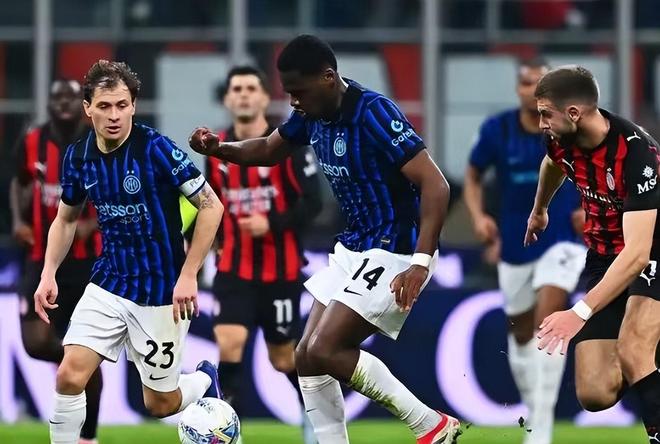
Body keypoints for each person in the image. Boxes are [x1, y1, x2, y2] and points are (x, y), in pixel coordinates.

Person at [190, 34, 460, 444]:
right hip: (355, 246)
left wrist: (420, 263)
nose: (293, 101)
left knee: (325, 349)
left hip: (396, 247)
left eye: (298, 91)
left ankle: (430, 425)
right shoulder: (311, 113)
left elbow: (436, 184)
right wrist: (219, 149)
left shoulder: (373, 112)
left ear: (328, 77)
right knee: (305, 356)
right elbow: (267, 149)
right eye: (289, 92)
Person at [33, 60, 223, 444]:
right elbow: (66, 219)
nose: (114, 115)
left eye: (122, 105)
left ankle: (204, 379)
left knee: (160, 403)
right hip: (109, 282)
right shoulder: (79, 157)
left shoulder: (156, 149)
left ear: (134, 105)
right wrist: (48, 272)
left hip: (160, 290)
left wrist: (189, 275)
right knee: (69, 375)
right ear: (88, 107)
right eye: (104, 106)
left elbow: (211, 205)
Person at [526, 66, 660, 444]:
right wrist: (540, 209)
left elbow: (637, 254)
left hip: (650, 251)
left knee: (634, 349)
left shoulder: (637, 154)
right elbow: (553, 164)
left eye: (545, 114)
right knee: (595, 392)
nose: (541, 123)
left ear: (574, 113)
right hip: (604, 256)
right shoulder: (560, 140)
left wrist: (579, 312)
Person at [463, 58, 586, 444]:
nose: (532, 90)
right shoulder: (497, 130)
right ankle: (536, 408)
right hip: (516, 241)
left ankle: (541, 427)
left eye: (540, 83)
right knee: (520, 335)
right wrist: (478, 216)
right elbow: (472, 175)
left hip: (563, 238)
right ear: (519, 89)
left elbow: (596, 169)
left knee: (548, 322)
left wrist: (590, 206)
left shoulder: (572, 128)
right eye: (526, 83)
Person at [208, 66, 322, 443]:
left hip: (281, 271)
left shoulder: (288, 145)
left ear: (262, 97)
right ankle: (229, 434)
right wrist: (206, 240)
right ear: (227, 99)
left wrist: (270, 222)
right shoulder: (215, 150)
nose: (243, 94)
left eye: (250, 88)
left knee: (283, 358)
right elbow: (206, 204)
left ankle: (315, 417)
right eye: (236, 88)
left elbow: (313, 203)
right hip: (233, 268)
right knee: (230, 345)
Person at [10, 79, 103, 444]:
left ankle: (87, 436)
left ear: (83, 105)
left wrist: (94, 224)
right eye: (57, 97)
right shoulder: (32, 141)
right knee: (35, 343)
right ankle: (79, 360)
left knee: (83, 352)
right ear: (49, 104)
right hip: (41, 258)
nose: (64, 103)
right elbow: (19, 182)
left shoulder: (99, 142)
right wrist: (18, 220)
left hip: (88, 263)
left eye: (70, 97)